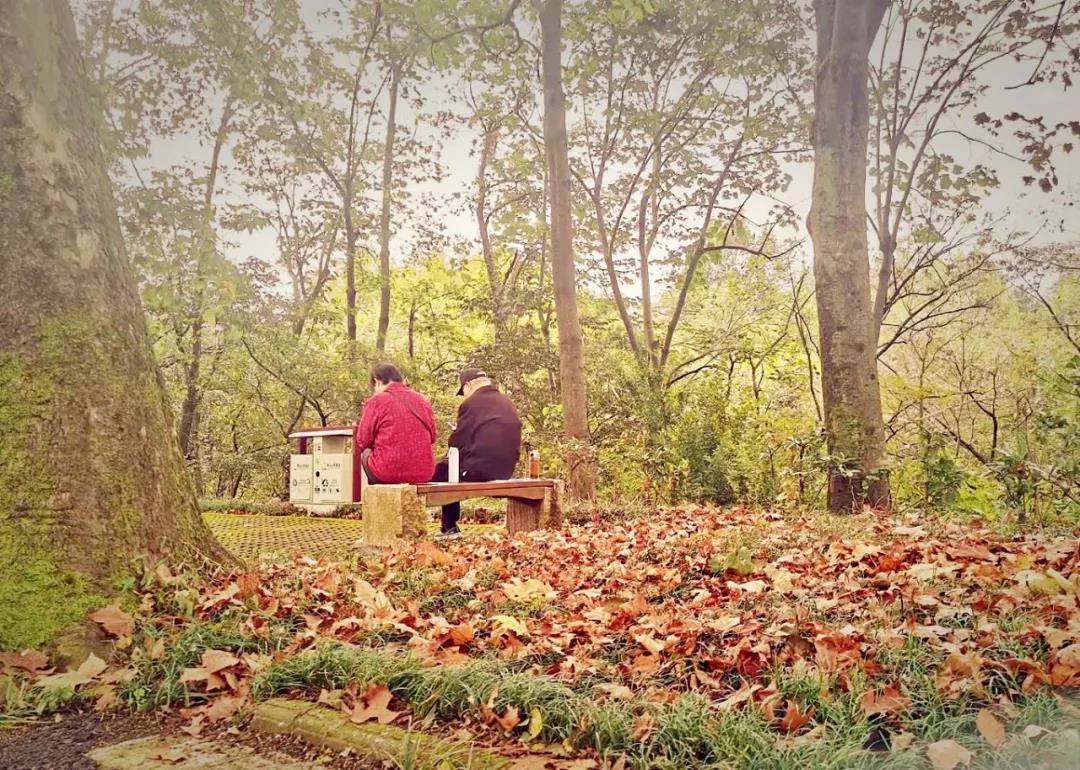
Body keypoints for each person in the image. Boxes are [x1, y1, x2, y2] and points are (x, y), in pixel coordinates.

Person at [431, 368, 522, 539]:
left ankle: (449, 527)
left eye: (462, 392)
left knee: (442, 471)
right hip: (506, 469)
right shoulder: (505, 401)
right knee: (450, 468)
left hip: (481, 470)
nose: (463, 396)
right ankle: (449, 528)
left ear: (467, 386)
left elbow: (457, 444)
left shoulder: (471, 404)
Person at [355, 362, 437, 486]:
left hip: (387, 472)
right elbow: (433, 437)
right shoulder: (422, 400)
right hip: (424, 473)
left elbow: (363, 440)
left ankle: (374, 500)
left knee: (365, 452)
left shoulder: (377, 401)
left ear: (377, 381)